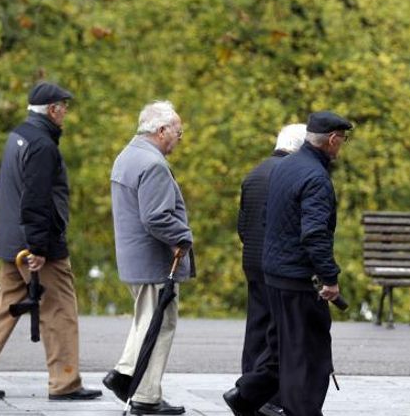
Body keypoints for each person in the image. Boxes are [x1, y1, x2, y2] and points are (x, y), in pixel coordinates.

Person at [0, 82, 102, 401]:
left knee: (5, 307)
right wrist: (38, 247)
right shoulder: (43, 146)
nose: (66, 113)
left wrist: (15, 234)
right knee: (59, 309)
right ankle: (65, 383)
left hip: (12, 240)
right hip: (36, 246)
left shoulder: (17, 136)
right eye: (64, 106)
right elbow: (36, 200)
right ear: (52, 109)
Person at [223, 111, 352, 416]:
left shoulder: (285, 167)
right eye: (342, 140)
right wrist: (330, 278)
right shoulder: (316, 178)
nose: (342, 146)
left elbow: (266, 219)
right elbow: (315, 234)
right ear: (332, 140)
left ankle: (246, 395)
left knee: (280, 344)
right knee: (308, 353)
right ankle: (301, 410)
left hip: (274, 275)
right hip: (299, 279)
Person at [103, 101, 195, 416]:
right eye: (178, 132)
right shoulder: (152, 164)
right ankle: (143, 394)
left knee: (147, 321)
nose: (180, 138)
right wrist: (182, 237)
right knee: (159, 324)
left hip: (134, 259)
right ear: (161, 130)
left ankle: (129, 378)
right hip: (153, 261)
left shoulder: (126, 156)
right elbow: (156, 217)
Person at [237, 123, 307, 416]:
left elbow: (242, 224)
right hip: (277, 265)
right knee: (279, 332)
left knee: (256, 327)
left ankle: (246, 389)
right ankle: (268, 395)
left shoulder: (254, 173)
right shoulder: (291, 175)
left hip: (252, 260)